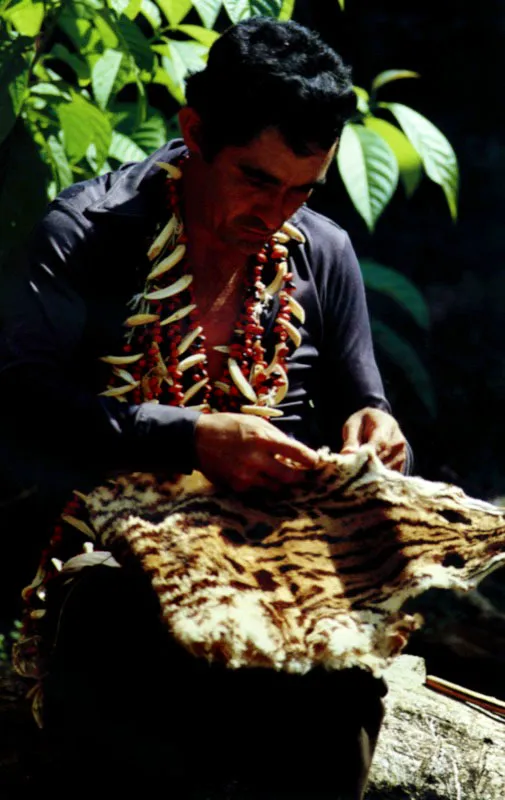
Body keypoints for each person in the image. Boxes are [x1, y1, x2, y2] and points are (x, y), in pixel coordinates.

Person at [1, 17, 409, 798]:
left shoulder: (319, 253)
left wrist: (377, 435)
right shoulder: (89, 233)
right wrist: (187, 437)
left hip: (263, 565)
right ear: (193, 133)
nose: (276, 213)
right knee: (126, 632)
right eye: (256, 179)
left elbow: (364, 404)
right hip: (98, 555)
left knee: (341, 688)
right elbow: (19, 407)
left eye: (302, 189)